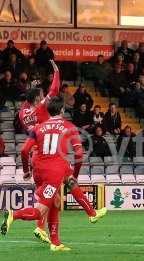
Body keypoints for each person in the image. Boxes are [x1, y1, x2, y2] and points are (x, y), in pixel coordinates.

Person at [1, 96, 107, 251]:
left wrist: (26, 171)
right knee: (40, 211)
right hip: (54, 172)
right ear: (62, 110)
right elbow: (78, 154)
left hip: (40, 168)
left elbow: (24, 151)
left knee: (56, 201)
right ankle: (13, 215)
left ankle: (57, 241)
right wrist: (76, 175)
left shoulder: (39, 127)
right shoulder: (69, 126)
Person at [18, 60, 60, 132]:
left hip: (31, 139)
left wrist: (32, 88)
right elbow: (54, 90)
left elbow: (29, 97)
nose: (44, 96)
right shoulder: (41, 106)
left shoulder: (22, 111)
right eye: (42, 94)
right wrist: (56, 72)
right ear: (37, 98)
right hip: (43, 138)